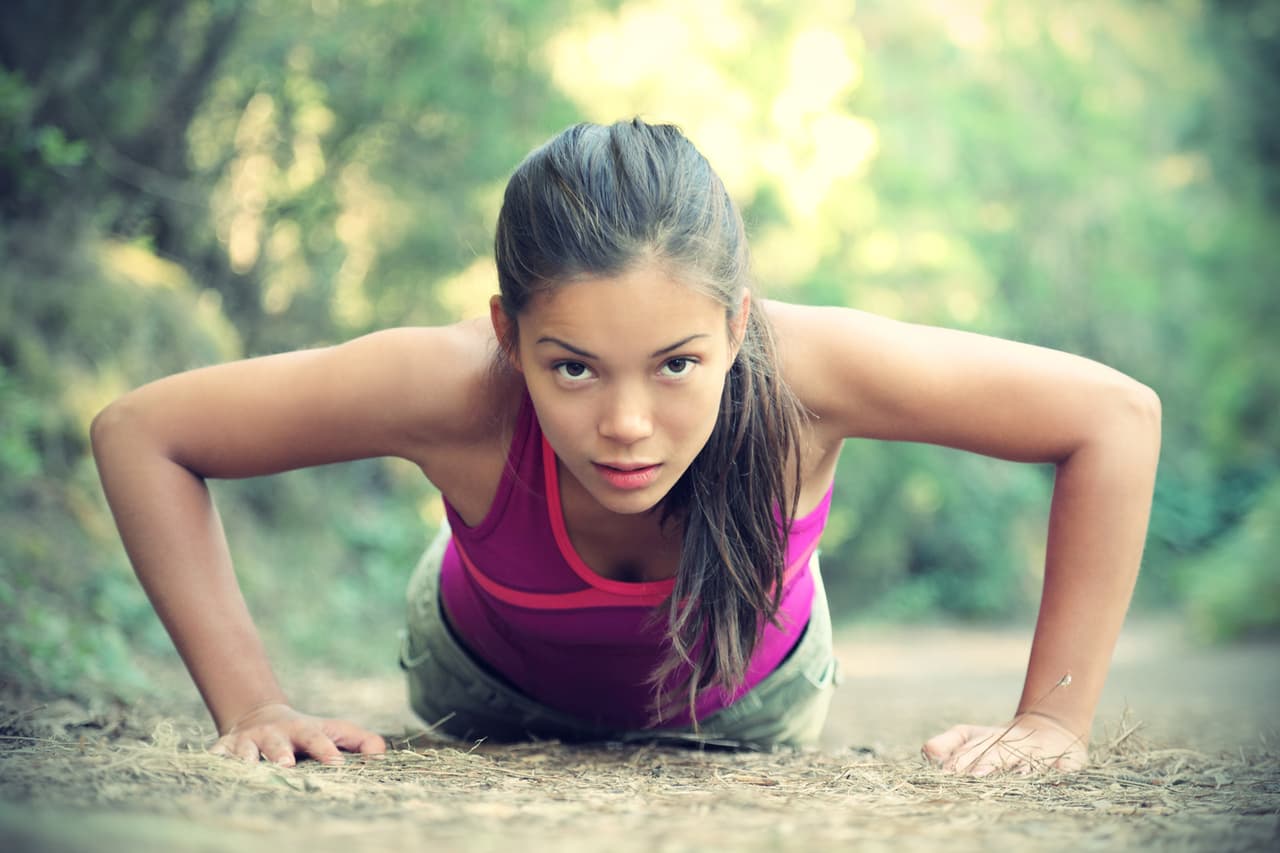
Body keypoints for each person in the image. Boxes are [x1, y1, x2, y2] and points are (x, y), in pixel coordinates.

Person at [90, 118, 1161, 776]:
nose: (626, 425)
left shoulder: (806, 374)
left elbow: (1110, 418)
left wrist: (1051, 722)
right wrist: (253, 705)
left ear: (737, 325)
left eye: (676, 364)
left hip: (750, 703)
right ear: (508, 332)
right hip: (478, 680)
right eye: (572, 367)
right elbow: (143, 432)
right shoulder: (452, 385)